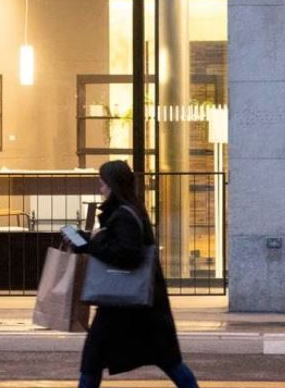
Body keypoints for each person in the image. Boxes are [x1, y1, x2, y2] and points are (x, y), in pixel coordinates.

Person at [65, 160, 200, 388]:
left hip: (125, 303)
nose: (101, 189)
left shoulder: (123, 214)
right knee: (167, 359)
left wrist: (90, 244)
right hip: (140, 305)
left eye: (102, 184)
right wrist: (86, 239)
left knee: (93, 359)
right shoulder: (130, 210)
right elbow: (115, 244)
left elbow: (126, 253)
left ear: (112, 185)